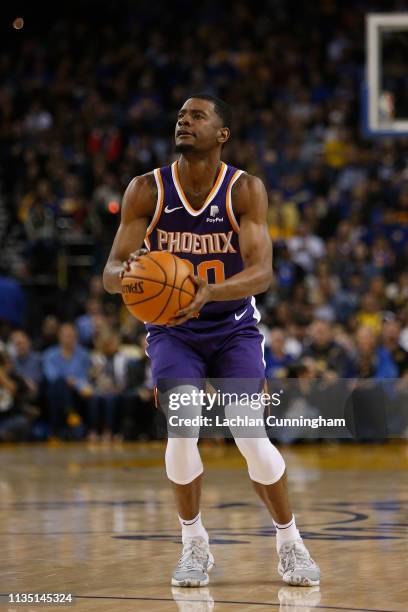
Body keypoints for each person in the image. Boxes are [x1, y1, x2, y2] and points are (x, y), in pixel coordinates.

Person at [103, 94, 320, 587]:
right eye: (180, 115)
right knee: (182, 428)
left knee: (250, 435)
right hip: (172, 330)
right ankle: (194, 543)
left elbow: (263, 273)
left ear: (222, 133)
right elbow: (110, 271)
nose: (184, 121)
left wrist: (211, 292)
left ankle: (290, 543)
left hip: (233, 328)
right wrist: (130, 275)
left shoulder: (244, 190)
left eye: (197, 115)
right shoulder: (146, 190)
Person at [43, 323, 93, 437]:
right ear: (59, 337)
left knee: (87, 392)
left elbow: (84, 376)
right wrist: (68, 381)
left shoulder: (84, 354)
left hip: (77, 390)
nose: (68, 339)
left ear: (76, 337)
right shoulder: (49, 355)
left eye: (71, 335)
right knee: (58, 385)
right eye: (66, 335)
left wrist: (77, 385)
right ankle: (70, 414)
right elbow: (52, 377)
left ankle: (57, 429)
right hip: (57, 389)